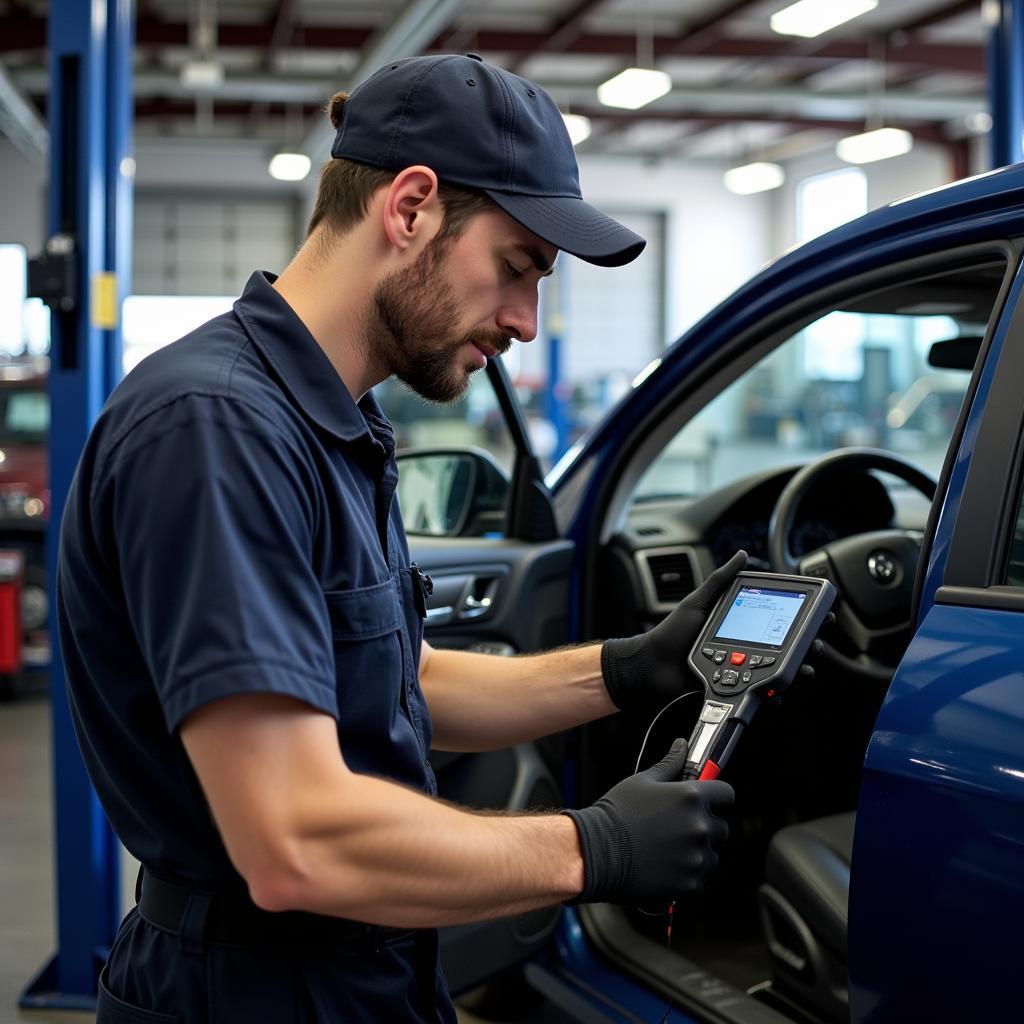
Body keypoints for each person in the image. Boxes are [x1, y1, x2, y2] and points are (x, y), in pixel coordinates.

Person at [57, 53, 741, 1023]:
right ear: (410, 208)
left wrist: (626, 668)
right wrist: (594, 848)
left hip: (358, 971)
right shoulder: (217, 430)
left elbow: (402, 682)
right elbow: (294, 839)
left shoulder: (333, 420)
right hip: (253, 990)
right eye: (516, 268)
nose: (526, 322)